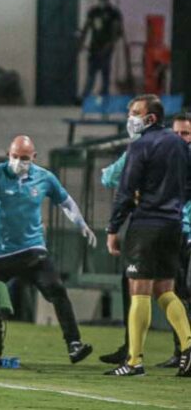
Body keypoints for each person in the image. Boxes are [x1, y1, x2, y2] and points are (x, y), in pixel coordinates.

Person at [0, 135, 96, 365]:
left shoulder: (45, 178)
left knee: (57, 290)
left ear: (34, 157)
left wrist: (81, 224)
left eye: (24, 158)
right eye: (15, 157)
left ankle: (74, 344)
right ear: (8, 154)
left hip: (32, 250)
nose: (18, 162)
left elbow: (66, 202)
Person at [105, 95, 191, 376]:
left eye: (134, 113)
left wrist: (112, 228)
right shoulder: (180, 144)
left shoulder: (140, 146)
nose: (130, 117)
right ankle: (188, 347)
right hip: (173, 225)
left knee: (138, 290)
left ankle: (134, 361)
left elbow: (126, 191)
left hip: (147, 226)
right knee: (165, 289)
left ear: (150, 118)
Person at [79, 0, 123, 99]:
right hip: (94, 47)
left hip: (106, 48)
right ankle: (85, 98)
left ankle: (104, 98)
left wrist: (110, 45)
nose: (101, 0)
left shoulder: (113, 12)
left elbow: (117, 31)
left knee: (105, 75)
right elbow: (86, 27)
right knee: (91, 75)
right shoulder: (94, 11)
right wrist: (81, 42)